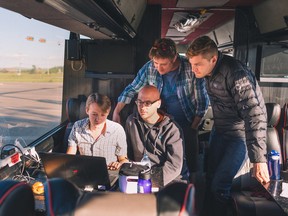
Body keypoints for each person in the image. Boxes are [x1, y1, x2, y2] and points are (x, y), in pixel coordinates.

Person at [186, 36, 269, 215]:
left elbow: (254, 115)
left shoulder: (236, 74)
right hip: (220, 130)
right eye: (191, 64)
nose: (193, 69)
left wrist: (259, 159)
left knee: (219, 186)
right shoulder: (208, 72)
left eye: (197, 64)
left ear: (213, 59)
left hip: (239, 136)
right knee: (208, 178)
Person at [113, 38, 209, 179]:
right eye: (156, 63)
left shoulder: (190, 68)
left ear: (175, 57)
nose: (159, 68)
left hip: (186, 121)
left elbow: (202, 101)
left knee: (189, 162)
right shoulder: (150, 67)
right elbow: (132, 89)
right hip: (161, 123)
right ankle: (157, 181)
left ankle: (190, 189)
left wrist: (193, 127)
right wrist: (116, 111)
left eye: (163, 64)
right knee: (162, 159)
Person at [125, 85, 189, 186]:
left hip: (169, 181)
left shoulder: (172, 129)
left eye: (148, 103)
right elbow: (128, 155)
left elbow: (174, 166)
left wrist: (150, 182)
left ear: (158, 104)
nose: (142, 107)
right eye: (139, 102)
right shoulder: (131, 122)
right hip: (140, 177)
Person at [66, 93, 128, 170]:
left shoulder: (117, 130)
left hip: (109, 173)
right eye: (94, 114)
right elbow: (69, 157)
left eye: (102, 115)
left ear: (108, 112)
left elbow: (123, 159)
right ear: (87, 110)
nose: (98, 119)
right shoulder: (77, 127)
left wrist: (119, 164)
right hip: (84, 172)